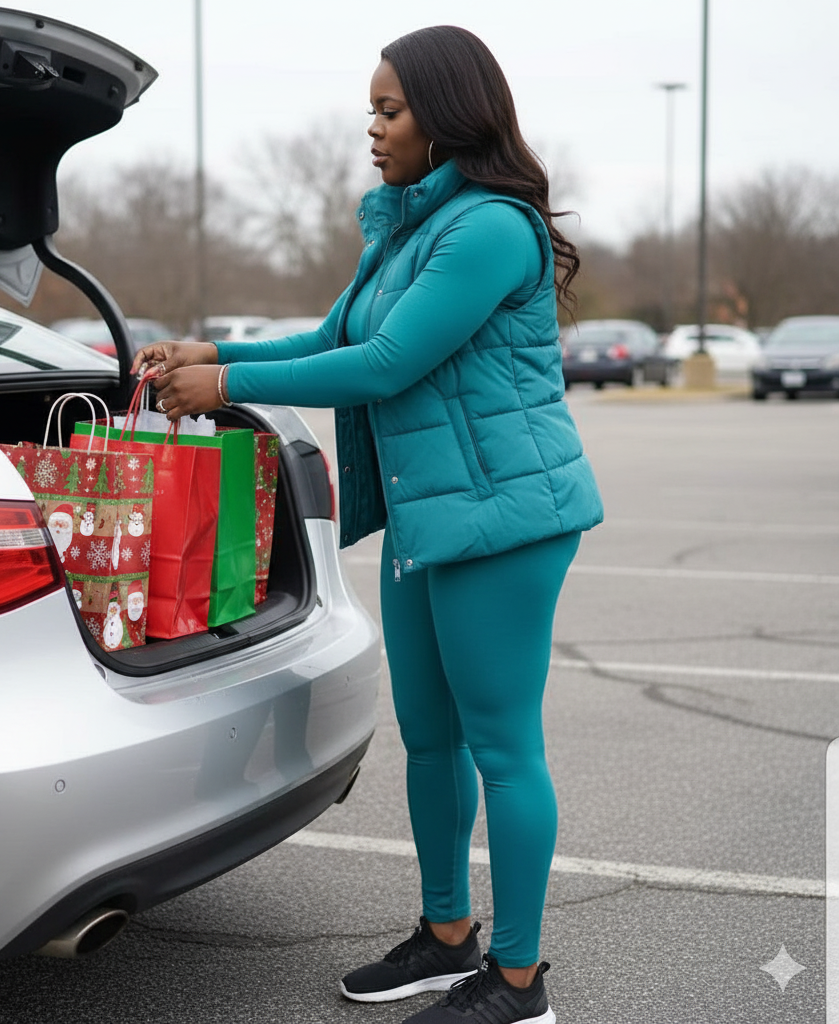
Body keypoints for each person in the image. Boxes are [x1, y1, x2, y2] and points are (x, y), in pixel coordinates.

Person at [132, 24, 603, 1024]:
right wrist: (211, 347)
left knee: (503, 746)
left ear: (446, 115)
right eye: (370, 112)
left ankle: (517, 984)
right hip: (431, 515)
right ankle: (445, 938)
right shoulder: (405, 229)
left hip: (504, 518)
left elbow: (387, 363)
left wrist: (224, 385)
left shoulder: (486, 228)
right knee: (430, 741)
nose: (372, 132)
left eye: (388, 111)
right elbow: (331, 336)